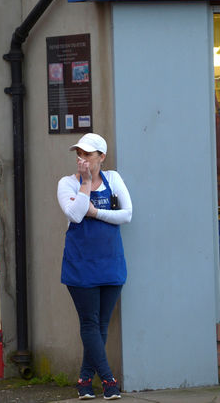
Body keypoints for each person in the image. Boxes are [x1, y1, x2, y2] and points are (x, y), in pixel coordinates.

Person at [57, 133, 132, 400]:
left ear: (101, 157)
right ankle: (109, 381)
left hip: (111, 262)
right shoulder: (67, 184)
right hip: (81, 265)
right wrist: (86, 183)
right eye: (79, 153)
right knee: (89, 323)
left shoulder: (114, 179)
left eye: (87, 154)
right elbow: (76, 214)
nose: (82, 158)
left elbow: (127, 214)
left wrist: (97, 213)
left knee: (101, 325)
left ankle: (85, 381)